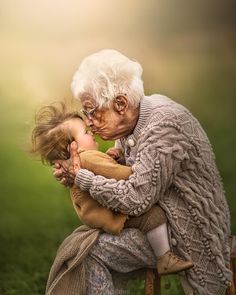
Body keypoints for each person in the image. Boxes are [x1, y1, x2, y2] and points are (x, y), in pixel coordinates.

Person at [52, 49, 232, 295]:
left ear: (120, 104)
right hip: (160, 224)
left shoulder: (165, 125)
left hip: (187, 232)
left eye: (91, 110)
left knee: (86, 253)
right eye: (85, 112)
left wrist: (82, 178)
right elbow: (119, 171)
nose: (89, 121)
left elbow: (135, 198)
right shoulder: (134, 121)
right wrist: (73, 175)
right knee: (80, 245)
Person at [31, 102, 193, 275]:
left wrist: (114, 158)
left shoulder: (86, 160)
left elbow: (105, 171)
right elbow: (121, 175)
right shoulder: (89, 158)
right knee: (153, 216)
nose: (91, 132)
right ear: (73, 148)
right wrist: (138, 167)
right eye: (85, 133)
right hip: (111, 215)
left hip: (99, 213)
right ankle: (165, 257)